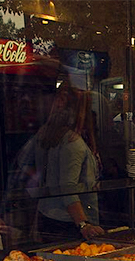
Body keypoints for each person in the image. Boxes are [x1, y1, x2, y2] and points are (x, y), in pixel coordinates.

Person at [33, 87, 104, 240]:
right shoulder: (72, 142)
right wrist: (84, 225)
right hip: (69, 224)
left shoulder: (45, 134)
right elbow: (68, 190)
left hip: (49, 215)